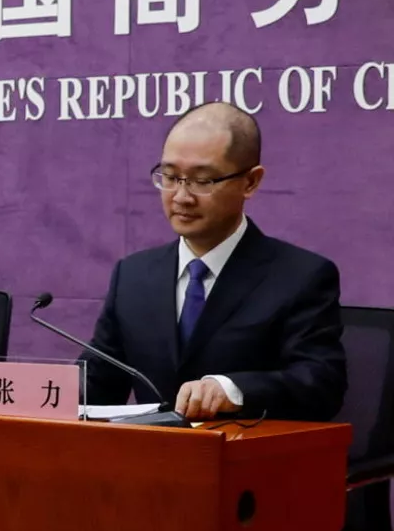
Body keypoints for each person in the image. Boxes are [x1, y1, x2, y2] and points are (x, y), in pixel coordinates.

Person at [87, 102, 345, 422]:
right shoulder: (133, 275)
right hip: (150, 451)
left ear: (250, 182)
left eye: (203, 181)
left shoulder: (301, 277)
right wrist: (41, 391)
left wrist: (232, 390)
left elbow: (321, 385)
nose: (181, 196)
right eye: (170, 176)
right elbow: (97, 384)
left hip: (244, 449)